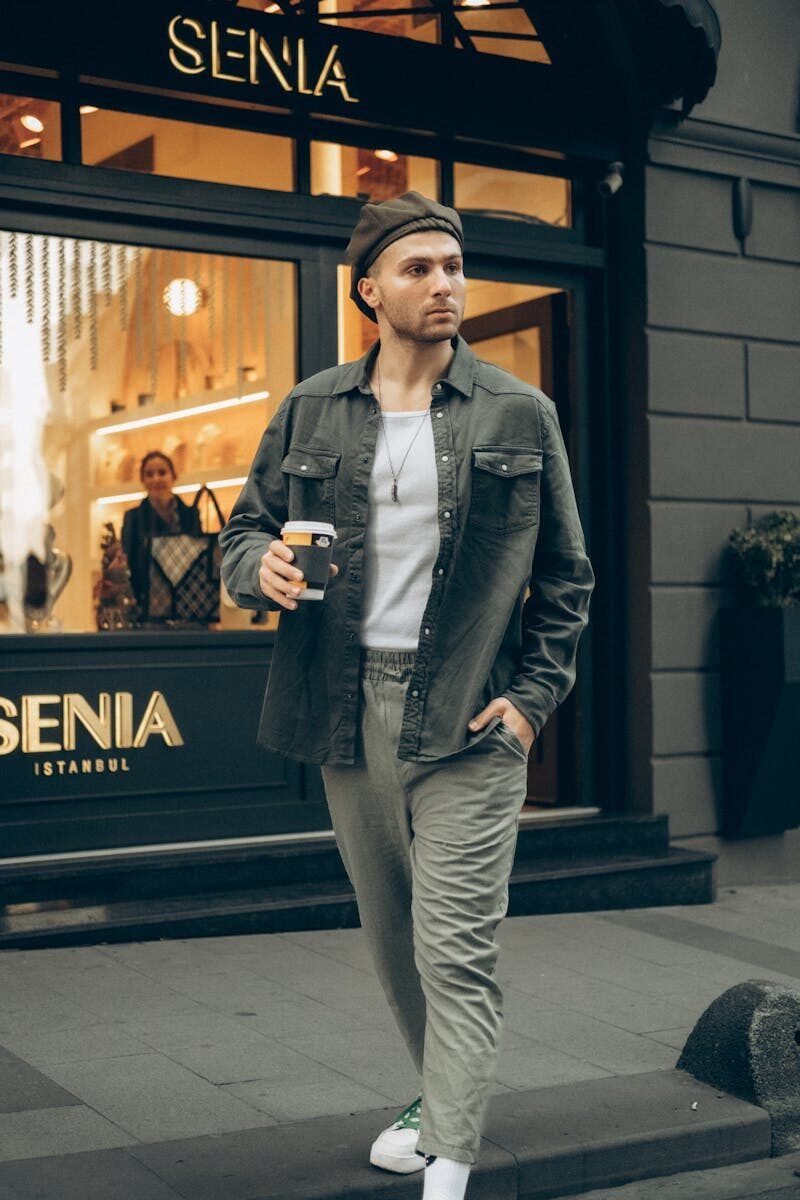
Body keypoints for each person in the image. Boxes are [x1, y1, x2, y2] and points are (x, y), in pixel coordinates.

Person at [220, 192, 594, 1200]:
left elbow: (566, 577)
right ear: (368, 289)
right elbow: (241, 534)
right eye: (419, 268)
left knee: (454, 951)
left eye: (452, 266)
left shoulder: (519, 412)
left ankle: (450, 1167)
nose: (444, 285)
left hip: (469, 718)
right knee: (394, 945)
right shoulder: (310, 407)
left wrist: (528, 701)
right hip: (345, 713)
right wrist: (260, 571)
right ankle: (435, 1102)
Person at [121, 450, 201, 618]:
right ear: (143, 480)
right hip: (147, 607)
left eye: (162, 472)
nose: (156, 478)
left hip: (189, 604)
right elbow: (129, 563)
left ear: (173, 476)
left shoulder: (190, 515)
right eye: (149, 474)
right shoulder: (133, 518)